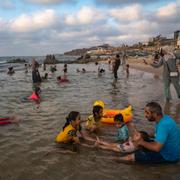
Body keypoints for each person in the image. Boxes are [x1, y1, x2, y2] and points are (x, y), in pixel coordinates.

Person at [115, 102, 180, 163]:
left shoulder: (163, 125)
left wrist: (141, 142)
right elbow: (159, 134)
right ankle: (124, 148)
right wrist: (145, 136)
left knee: (130, 157)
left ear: (154, 114)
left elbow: (156, 148)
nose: (145, 115)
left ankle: (112, 159)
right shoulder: (165, 118)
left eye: (147, 113)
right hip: (173, 149)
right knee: (142, 136)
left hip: (169, 156)